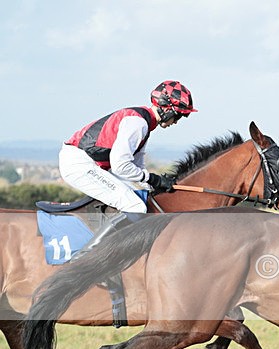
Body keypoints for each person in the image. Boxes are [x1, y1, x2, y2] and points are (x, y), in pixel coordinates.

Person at [59, 80, 197, 253]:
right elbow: (121, 166)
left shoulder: (145, 123)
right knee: (135, 206)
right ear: (166, 108)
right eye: (178, 115)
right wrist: (152, 178)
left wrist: (153, 186)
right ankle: (90, 254)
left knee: (141, 196)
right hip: (79, 164)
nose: (176, 122)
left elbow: (137, 163)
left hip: (91, 163)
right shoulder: (138, 123)